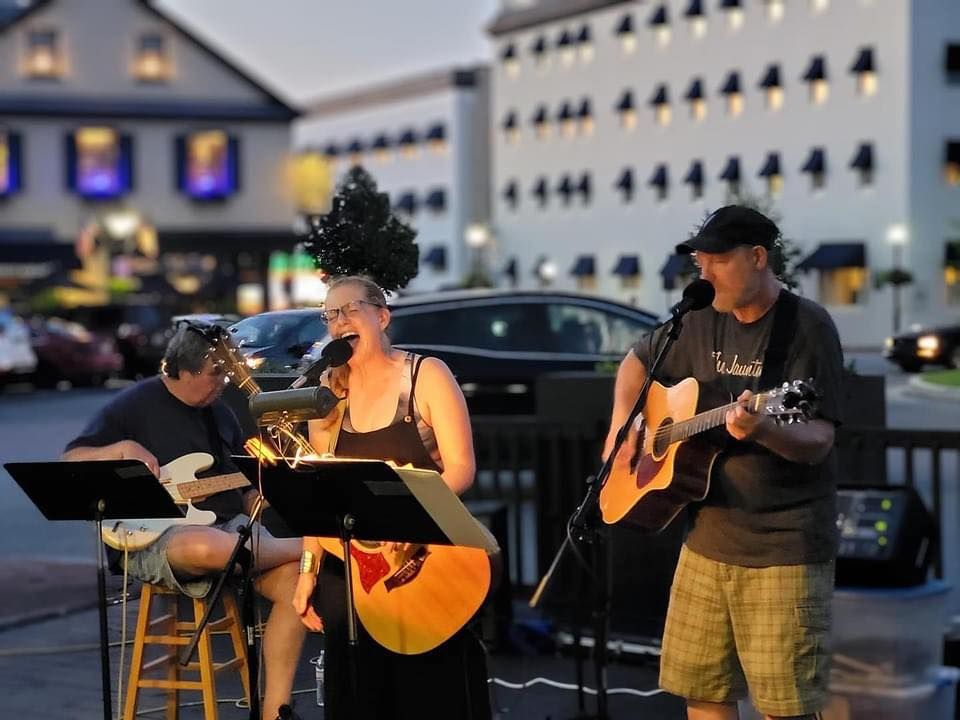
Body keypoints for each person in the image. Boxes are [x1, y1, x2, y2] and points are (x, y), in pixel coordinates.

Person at [603, 206, 844, 720]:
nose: (704, 273)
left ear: (757, 257)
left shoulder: (806, 327)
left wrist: (765, 427)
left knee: (786, 706)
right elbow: (636, 361)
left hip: (783, 545)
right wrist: (622, 427)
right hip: (706, 540)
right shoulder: (696, 319)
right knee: (704, 692)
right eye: (699, 262)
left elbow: (820, 436)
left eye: (716, 261)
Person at [62, 323, 319, 720]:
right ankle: (315, 546)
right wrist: (123, 447)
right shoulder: (133, 403)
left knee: (292, 585)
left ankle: (275, 710)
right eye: (215, 374)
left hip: (233, 532)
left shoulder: (222, 415)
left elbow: (244, 486)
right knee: (203, 545)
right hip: (154, 540)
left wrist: (265, 493)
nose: (223, 384)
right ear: (183, 370)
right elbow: (70, 461)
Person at [292, 275, 492, 720]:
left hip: (424, 554)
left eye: (350, 310)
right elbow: (317, 495)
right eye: (330, 315)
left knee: (428, 692)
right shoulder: (327, 393)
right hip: (356, 568)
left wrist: (408, 519)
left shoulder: (426, 375)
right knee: (357, 689)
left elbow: (460, 468)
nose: (339, 321)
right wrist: (307, 571)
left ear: (381, 317)